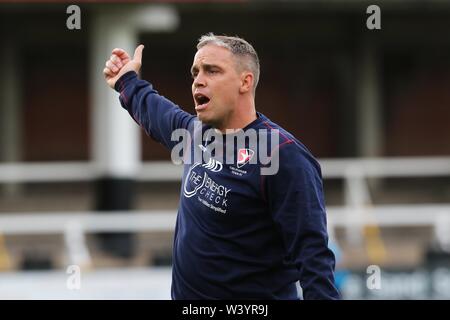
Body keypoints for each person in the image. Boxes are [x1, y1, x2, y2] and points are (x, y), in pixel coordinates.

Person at [103, 33, 340, 300]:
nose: (198, 81)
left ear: (245, 82)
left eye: (212, 71)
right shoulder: (194, 134)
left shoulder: (283, 155)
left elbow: (313, 256)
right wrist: (126, 80)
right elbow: (154, 110)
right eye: (195, 73)